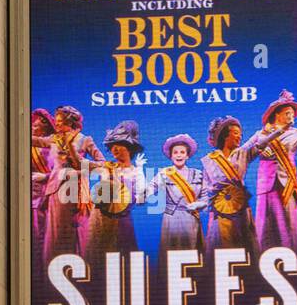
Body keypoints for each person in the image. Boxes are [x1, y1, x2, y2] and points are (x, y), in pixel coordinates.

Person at [245, 90, 297, 258]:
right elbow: (244, 153)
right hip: (267, 185)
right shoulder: (260, 134)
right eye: (287, 113)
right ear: (277, 114)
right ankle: (263, 262)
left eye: (292, 114)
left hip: (287, 185)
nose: (291, 117)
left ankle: (294, 262)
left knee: (289, 225)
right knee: (266, 225)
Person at [199, 114, 275, 261]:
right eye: (235, 133)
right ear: (225, 136)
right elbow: (206, 187)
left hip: (240, 206)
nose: (239, 137)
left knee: (244, 242)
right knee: (221, 244)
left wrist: (276, 131)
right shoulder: (209, 160)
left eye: (240, 134)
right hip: (219, 209)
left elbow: (259, 144)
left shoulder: (242, 154)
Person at [36, 105, 104, 263]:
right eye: (56, 121)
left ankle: (79, 268)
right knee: (55, 232)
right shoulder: (55, 139)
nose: (57, 124)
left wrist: (79, 171)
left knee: (77, 229)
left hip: (77, 191)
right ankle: (53, 268)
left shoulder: (84, 139)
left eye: (60, 121)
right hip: (57, 190)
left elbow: (101, 163)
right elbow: (36, 140)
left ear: (70, 122)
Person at [85, 120, 145, 273]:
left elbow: (141, 197)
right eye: (112, 146)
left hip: (121, 220)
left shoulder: (135, 172)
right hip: (100, 218)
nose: (115, 149)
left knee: (123, 262)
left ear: (130, 148)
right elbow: (83, 164)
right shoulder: (106, 166)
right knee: (96, 257)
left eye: (120, 144)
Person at [147, 134, 204, 266]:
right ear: (171, 156)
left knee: (191, 253)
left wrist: (200, 203)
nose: (179, 155)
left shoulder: (197, 174)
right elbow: (150, 189)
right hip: (171, 219)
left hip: (190, 217)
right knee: (171, 253)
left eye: (182, 152)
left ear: (187, 155)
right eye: (175, 152)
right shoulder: (164, 174)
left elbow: (206, 195)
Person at [30, 108, 56, 253]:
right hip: (31, 195)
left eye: (35, 125)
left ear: (44, 127)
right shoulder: (28, 148)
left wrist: (45, 177)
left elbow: (59, 172)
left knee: (42, 233)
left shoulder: (52, 145)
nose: (31, 127)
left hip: (46, 195)